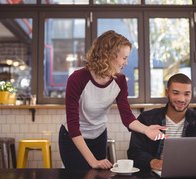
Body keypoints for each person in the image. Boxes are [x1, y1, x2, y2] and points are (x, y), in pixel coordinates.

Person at [59, 30, 167, 170]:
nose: (126, 63)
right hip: (73, 139)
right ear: (108, 56)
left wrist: (146, 130)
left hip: (99, 135)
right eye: (124, 58)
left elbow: (127, 117)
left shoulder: (120, 80)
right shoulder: (77, 79)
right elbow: (73, 126)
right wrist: (92, 161)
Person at [127, 73, 196, 173]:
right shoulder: (146, 119)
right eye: (176, 93)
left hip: (193, 178)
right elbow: (134, 152)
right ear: (167, 93)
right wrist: (154, 162)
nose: (181, 99)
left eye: (186, 94)